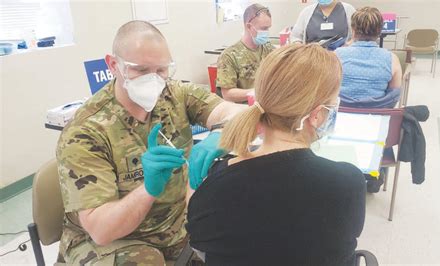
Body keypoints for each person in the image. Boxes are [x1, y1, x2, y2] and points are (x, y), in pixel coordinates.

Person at [56, 20, 244, 265]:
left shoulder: (174, 95)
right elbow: (101, 230)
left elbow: (234, 112)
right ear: (114, 65)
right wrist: (148, 189)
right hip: (110, 241)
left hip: (172, 225)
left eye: (161, 70)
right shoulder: (86, 131)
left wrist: (221, 132)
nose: (153, 80)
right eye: (141, 70)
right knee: (146, 260)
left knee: (241, 239)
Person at [186, 44, 366, 265]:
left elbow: (197, 240)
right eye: (334, 102)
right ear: (317, 116)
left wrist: (194, 182)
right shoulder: (348, 182)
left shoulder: (216, 182)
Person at [335, 7, 402, 109]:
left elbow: (326, 89)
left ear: (353, 30)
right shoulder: (392, 59)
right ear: (380, 31)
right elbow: (393, 96)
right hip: (378, 116)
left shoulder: (337, 55)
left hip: (340, 115)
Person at [216, 3, 274, 103]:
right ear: (249, 26)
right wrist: (254, 92)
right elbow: (227, 94)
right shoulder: (229, 56)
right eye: (263, 28)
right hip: (244, 110)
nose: (266, 32)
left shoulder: (268, 49)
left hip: (268, 106)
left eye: (268, 28)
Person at [291, 0, 355, 49]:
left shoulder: (349, 10)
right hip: (313, 59)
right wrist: (302, 49)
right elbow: (296, 38)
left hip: (341, 59)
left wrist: (348, 46)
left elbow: (358, 36)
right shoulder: (306, 12)